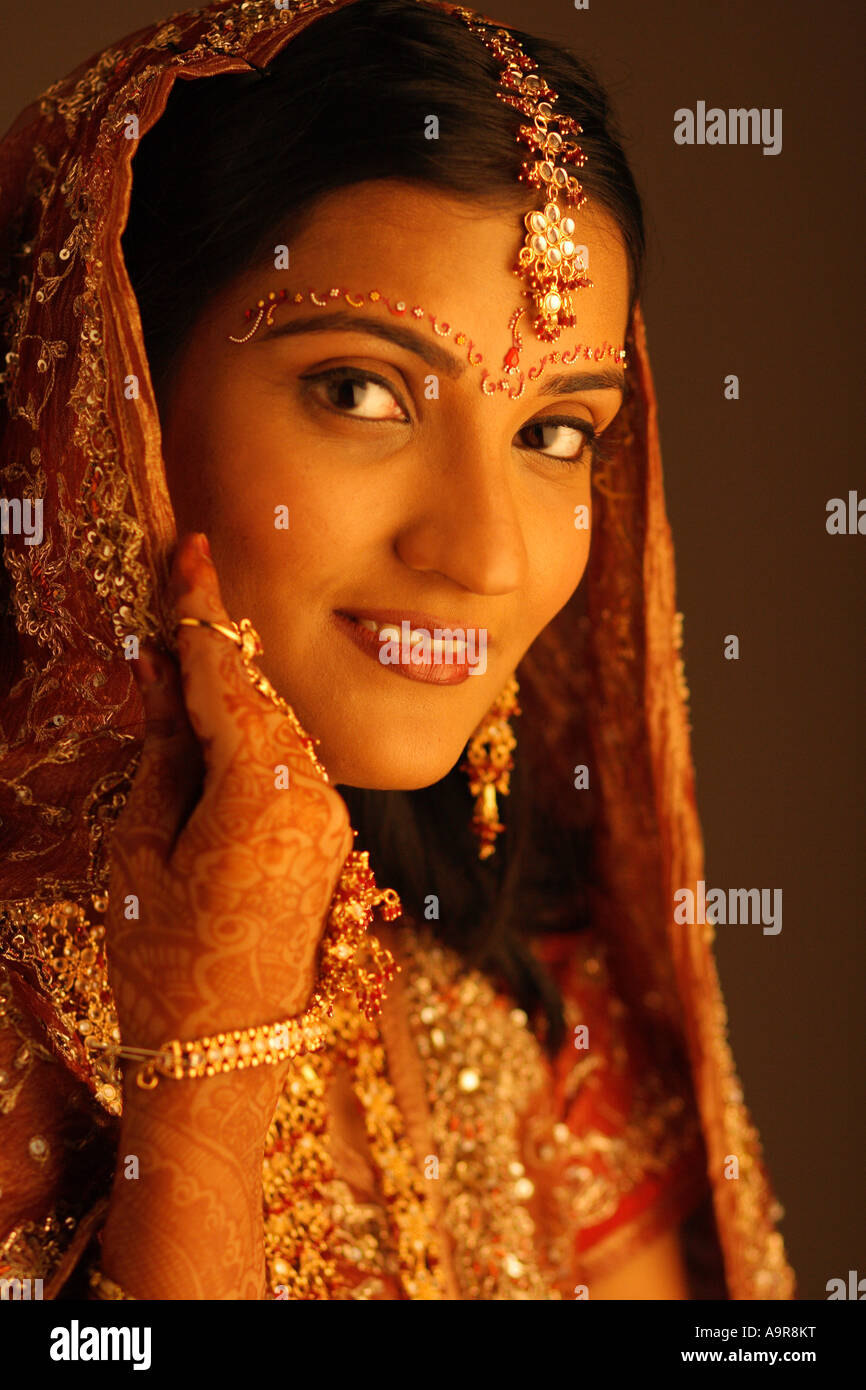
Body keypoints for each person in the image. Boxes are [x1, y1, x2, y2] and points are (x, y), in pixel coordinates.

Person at [0, 0, 794, 1300]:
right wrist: (203, 1089)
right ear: (106, 391)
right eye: (360, 391)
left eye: (554, 432)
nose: (483, 553)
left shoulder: (528, 1031)